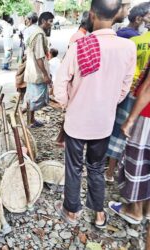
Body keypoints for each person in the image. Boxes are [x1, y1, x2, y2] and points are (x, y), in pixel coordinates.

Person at [54, 0, 136, 228]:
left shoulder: (80, 45)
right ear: (118, 13)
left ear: (92, 14)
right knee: (97, 167)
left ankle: (71, 211)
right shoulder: (127, 47)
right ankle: (99, 213)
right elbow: (124, 88)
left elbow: (59, 86)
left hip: (76, 121)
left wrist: (69, 104)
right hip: (103, 121)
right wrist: (108, 103)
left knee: (73, 167)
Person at [105, 1, 150, 182]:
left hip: (129, 91)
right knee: (129, 135)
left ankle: (109, 169)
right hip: (137, 94)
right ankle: (115, 172)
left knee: (118, 131)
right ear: (139, 18)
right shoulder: (135, 39)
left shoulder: (133, 40)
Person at [109, 60, 150, 225]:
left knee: (138, 160)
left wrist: (130, 119)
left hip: (147, 116)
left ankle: (135, 210)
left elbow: (148, 89)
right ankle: (147, 208)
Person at [24, 12, 54, 127]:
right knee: (34, 98)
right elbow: (39, 57)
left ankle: (31, 120)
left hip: (33, 70)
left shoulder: (37, 32)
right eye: (50, 21)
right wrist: (46, 75)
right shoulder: (39, 35)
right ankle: (29, 121)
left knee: (32, 97)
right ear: (43, 21)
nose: (51, 24)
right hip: (37, 72)